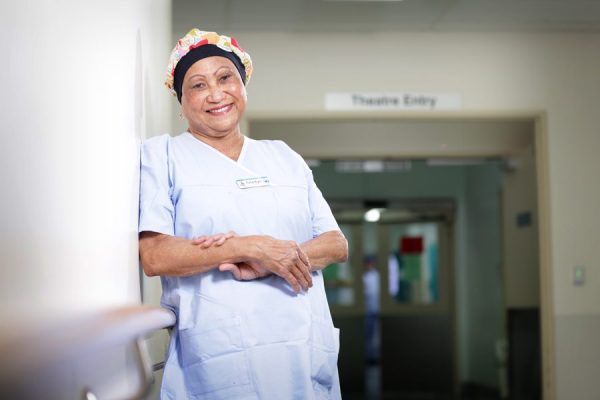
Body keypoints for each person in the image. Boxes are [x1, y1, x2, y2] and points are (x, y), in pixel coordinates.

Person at [138, 29, 348, 400]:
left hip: (300, 348)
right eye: (198, 85)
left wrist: (272, 261)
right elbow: (155, 256)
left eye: (225, 78)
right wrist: (246, 248)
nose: (216, 94)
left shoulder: (282, 155)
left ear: (243, 85)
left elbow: (335, 243)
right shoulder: (164, 156)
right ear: (181, 100)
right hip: (218, 354)